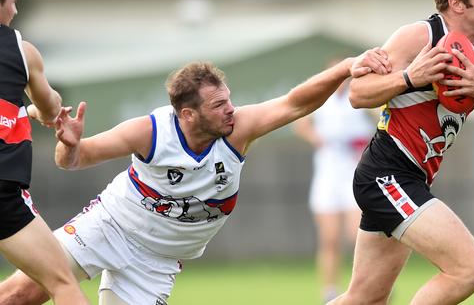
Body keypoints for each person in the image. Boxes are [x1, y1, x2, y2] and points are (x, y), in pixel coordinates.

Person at [0, 45, 396, 304]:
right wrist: (70, 143)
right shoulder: (150, 131)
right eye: (219, 104)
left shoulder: (239, 129)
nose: (231, 109)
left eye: (229, 99)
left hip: (157, 262)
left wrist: (346, 68)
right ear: (188, 114)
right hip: (110, 226)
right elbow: (73, 161)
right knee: (22, 292)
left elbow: (294, 104)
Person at [330, 0, 474, 305]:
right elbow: (357, 94)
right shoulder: (419, 36)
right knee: (471, 268)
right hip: (386, 174)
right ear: (457, 4)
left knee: (366, 297)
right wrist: (409, 77)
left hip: (414, 178)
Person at [0, 0, 90, 305]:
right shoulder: (21, 52)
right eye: (13, 0)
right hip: (3, 195)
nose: (16, 8)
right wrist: (49, 112)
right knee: (61, 282)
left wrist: (29, 113)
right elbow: (51, 108)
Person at [293, 59, 376, 303]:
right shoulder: (323, 100)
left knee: (358, 235)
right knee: (329, 238)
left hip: (354, 173)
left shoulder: (360, 98)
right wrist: (317, 138)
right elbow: (300, 122)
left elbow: (377, 122)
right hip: (327, 174)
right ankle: (330, 291)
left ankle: (367, 286)